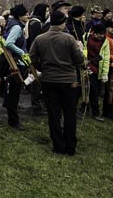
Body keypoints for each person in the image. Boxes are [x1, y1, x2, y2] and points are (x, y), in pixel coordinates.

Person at [29, 10, 84, 155]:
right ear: (62, 23)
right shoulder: (69, 39)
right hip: (68, 81)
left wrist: (43, 67)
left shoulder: (40, 39)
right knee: (70, 114)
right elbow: (79, 59)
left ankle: (57, 145)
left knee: (53, 114)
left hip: (49, 80)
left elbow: (32, 58)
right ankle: (70, 146)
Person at [1, 4, 28, 130]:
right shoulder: (17, 27)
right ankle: (13, 120)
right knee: (14, 93)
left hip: (13, 62)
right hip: (16, 63)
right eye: (26, 14)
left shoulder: (12, 23)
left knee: (13, 92)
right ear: (19, 16)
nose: (28, 16)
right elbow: (9, 43)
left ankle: (13, 118)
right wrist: (22, 52)